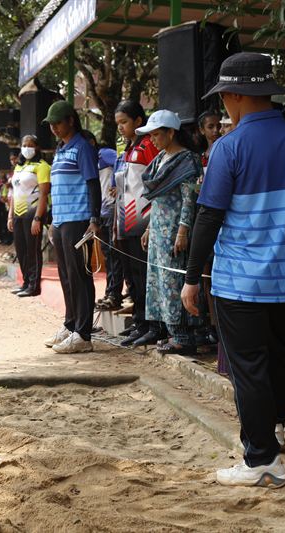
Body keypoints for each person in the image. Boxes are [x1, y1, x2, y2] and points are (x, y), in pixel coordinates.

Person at [182, 53, 285, 488]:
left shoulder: (230, 147)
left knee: (248, 369)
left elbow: (209, 216)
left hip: (240, 280)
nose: (224, 105)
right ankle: (274, 429)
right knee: (281, 359)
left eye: (224, 96)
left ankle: (261, 460)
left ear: (236, 95)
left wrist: (191, 278)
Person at [136, 110, 202, 355]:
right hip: (158, 230)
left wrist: (183, 231)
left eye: (156, 134)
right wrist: (149, 227)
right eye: (150, 135)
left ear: (171, 133)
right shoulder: (160, 159)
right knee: (159, 280)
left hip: (175, 230)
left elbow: (189, 199)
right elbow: (157, 199)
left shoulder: (187, 160)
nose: (152, 140)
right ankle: (170, 331)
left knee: (174, 280)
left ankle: (183, 336)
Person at [41, 102, 101, 354]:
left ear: (70, 121)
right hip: (61, 221)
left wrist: (94, 219)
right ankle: (70, 324)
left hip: (78, 220)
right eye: (51, 124)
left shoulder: (82, 147)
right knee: (66, 276)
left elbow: (93, 184)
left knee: (79, 276)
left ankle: (83, 334)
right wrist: (52, 221)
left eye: (58, 123)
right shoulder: (60, 149)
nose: (54, 128)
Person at [113, 101, 160, 347]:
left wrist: (151, 223)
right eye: (118, 123)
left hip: (144, 221)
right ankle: (140, 322)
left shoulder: (148, 145)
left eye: (124, 122)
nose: (120, 127)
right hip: (126, 221)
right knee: (132, 276)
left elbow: (157, 183)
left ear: (139, 121)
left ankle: (153, 326)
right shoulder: (128, 149)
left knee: (144, 275)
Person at [8, 135, 50, 297]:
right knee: (21, 249)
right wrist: (10, 216)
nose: (27, 148)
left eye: (30, 145)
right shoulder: (19, 167)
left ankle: (34, 285)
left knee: (32, 249)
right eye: (24, 145)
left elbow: (44, 194)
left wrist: (38, 218)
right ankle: (26, 282)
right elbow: (14, 193)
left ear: (37, 147)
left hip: (33, 212)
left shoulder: (42, 166)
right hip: (17, 213)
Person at [95, 144, 121, 311]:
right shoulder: (89, 162)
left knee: (114, 253)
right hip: (101, 212)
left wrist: (115, 183)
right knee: (107, 255)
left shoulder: (103, 154)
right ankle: (109, 292)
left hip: (112, 208)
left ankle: (114, 295)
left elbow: (120, 161)